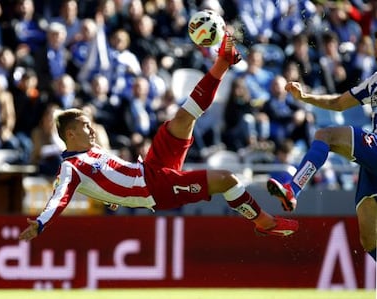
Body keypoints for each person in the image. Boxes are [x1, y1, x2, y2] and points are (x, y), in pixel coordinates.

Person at [19, 32, 299, 241]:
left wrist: (111, 197)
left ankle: (223, 62)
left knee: (181, 118)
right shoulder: (70, 167)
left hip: (149, 167)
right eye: (85, 126)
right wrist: (41, 223)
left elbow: (106, 180)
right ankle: (263, 221)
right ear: (70, 133)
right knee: (227, 179)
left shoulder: (91, 154)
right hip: (154, 188)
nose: (92, 129)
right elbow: (60, 197)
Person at [266, 76, 377, 261]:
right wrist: (304, 97)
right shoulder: (374, 80)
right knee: (369, 241)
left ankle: (293, 190)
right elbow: (338, 102)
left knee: (326, 135)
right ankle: (292, 191)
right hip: (372, 159)